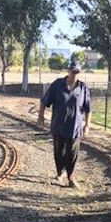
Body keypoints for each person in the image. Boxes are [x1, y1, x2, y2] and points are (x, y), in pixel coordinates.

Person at [38, 58, 92, 188]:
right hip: (58, 125)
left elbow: (88, 108)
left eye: (77, 72)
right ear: (68, 71)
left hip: (75, 127)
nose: (74, 74)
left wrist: (87, 124)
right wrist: (40, 115)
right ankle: (60, 172)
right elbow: (45, 101)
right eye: (73, 71)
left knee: (72, 153)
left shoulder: (83, 88)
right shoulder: (57, 85)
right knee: (59, 150)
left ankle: (71, 177)